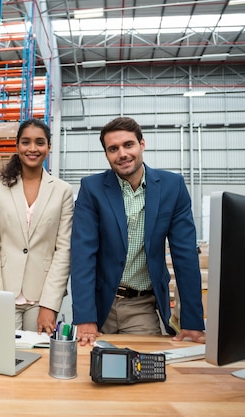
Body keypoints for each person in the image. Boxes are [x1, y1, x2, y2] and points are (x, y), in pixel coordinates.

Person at [70, 116, 205, 346]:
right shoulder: (92, 189)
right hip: (100, 303)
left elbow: (185, 256)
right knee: (87, 371)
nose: (122, 154)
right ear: (106, 155)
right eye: (113, 149)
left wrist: (192, 322)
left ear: (142, 144)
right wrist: (85, 317)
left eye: (128, 145)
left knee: (146, 370)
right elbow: (83, 255)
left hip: (141, 305)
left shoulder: (173, 187)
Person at [0, 119, 74, 335]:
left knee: (38, 357)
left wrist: (50, 304)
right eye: (26, 142)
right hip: (2, 290)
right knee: (0, 354)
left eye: (40, 142)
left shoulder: (62, 191)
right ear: (17, 146)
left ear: (49, 147)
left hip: (41, 295)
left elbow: (63, 251)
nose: (32, 149)